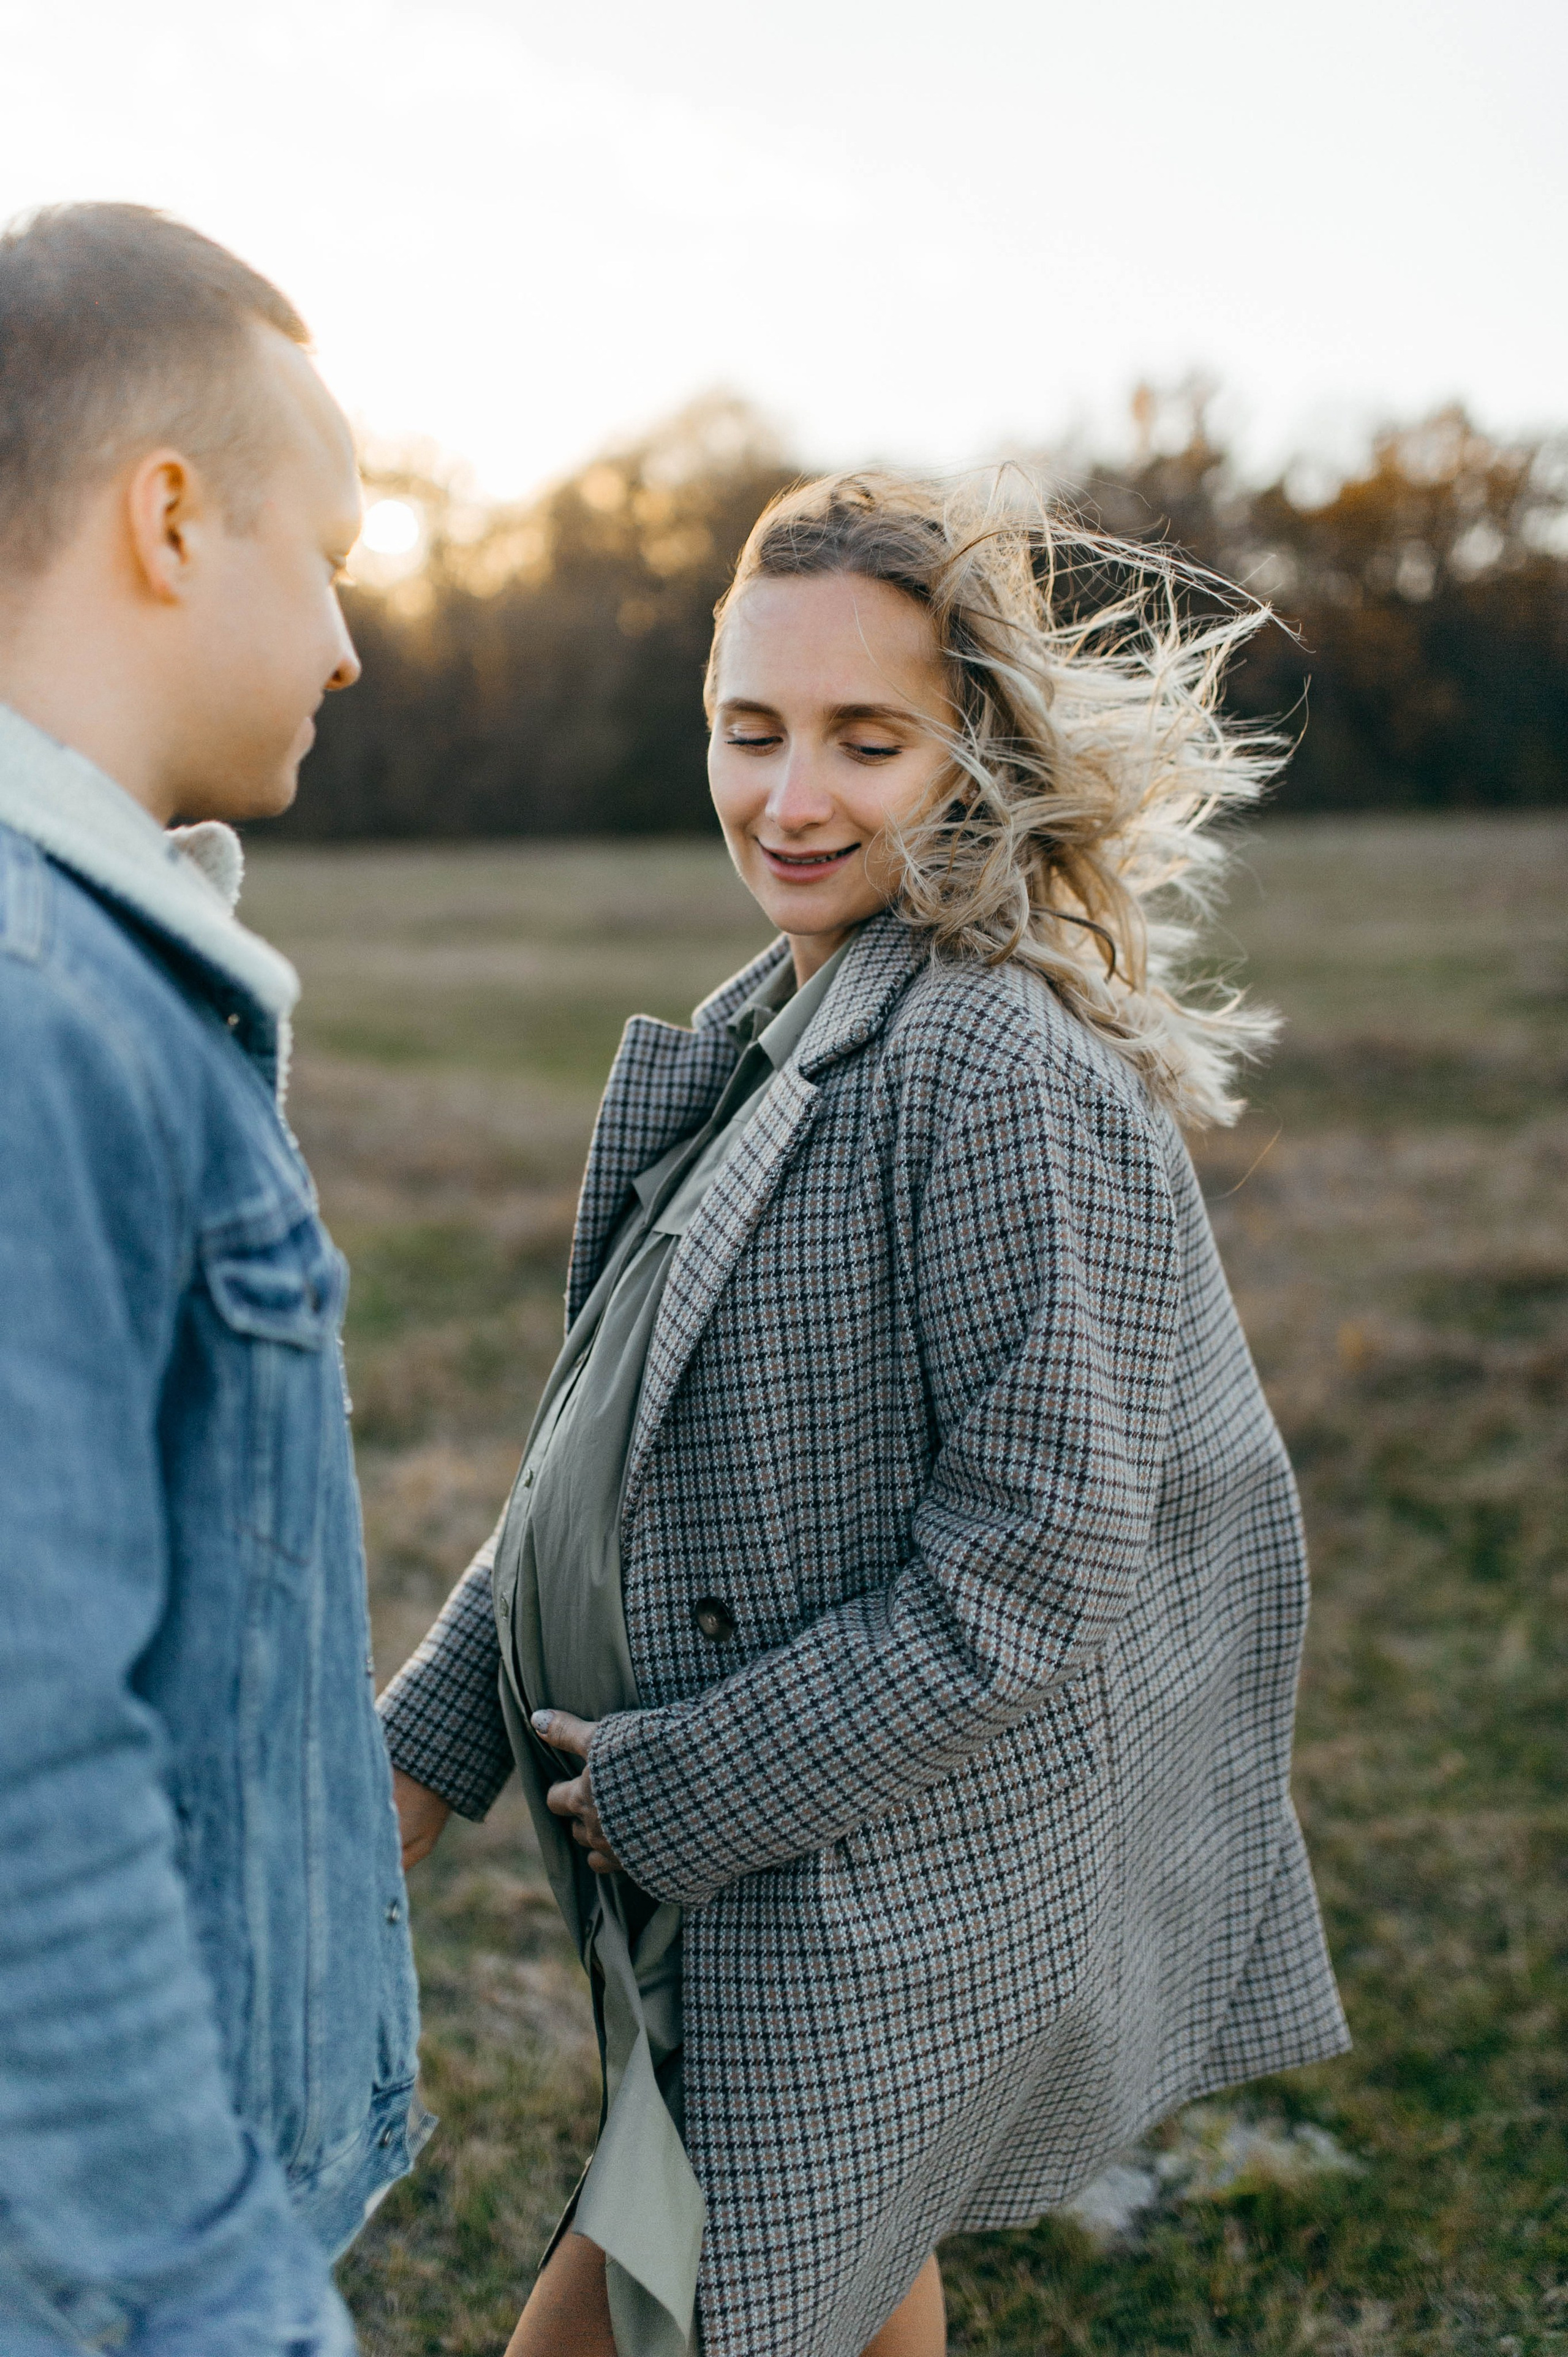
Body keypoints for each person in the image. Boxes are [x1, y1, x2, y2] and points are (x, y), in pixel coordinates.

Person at [381, 471, 1351, 2357]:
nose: (791, 797)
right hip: (763, 1912)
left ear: (972, 755)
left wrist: (675, 1791)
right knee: (836, 2282)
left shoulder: (989, 1067)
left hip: (863, 1912)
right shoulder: (777, 1013)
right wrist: (425, 1753)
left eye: (866, 740)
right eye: (751, 733)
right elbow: (605, 1464)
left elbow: (1034, 1568)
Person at [0, 204, 427, 2356]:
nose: (349, 640)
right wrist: (218, 2301)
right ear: (169, 518)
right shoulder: (32, 1009)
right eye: (329, 550)